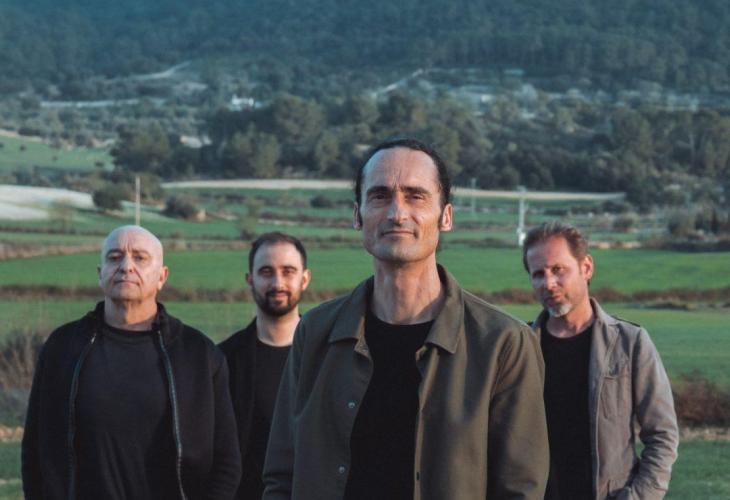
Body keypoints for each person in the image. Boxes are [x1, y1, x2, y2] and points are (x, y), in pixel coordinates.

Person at [263, 138, 549, 500]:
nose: (397, 213)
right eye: (380, 196)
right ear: (357, 215)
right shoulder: (316, 333)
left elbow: (520, 490)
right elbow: (281, 476)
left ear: (446, 217)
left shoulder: (503, 344)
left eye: (416, 196)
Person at [21, 225, 241, 500]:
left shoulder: (198, 354)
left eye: (140, 258)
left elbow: (227, 462)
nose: (126, 266)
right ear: (100, 273)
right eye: (114, 257)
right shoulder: (63, 347)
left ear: (162, 276)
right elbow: (34, 450)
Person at [522, 221, 679, 500]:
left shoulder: (630, 343)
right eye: (538, 274)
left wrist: (637, 497)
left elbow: (663, 436)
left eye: (558, 270)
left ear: (586, 267)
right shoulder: (520, 347)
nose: (548, 283)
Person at [219, 232, 311, 500]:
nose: (278, 283)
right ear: (250, 279)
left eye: (288, 271)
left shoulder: (327, 355)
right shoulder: (223, 361)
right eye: (266, 272)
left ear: (305, 279)